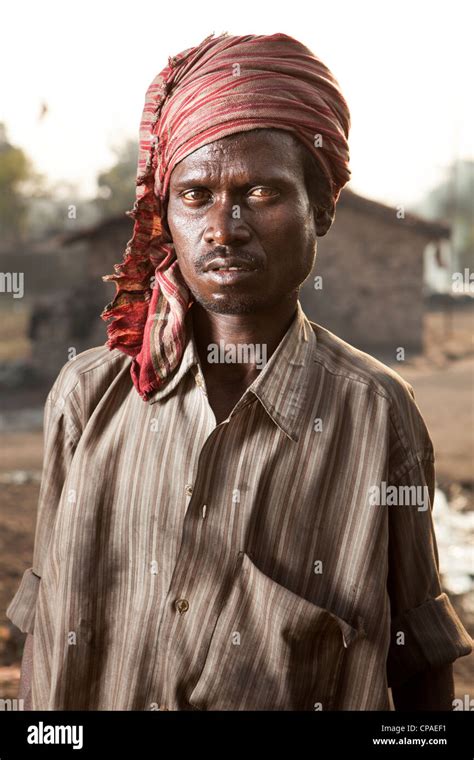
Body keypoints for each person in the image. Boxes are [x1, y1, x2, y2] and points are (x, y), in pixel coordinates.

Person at [8, 31, 472, 711]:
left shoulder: (376, 412)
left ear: (323, 208)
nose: (223, 229)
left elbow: (418, 657)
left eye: (260, 192)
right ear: (166, 214)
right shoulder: (87, 396)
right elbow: (47, 619)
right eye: (195, 195)